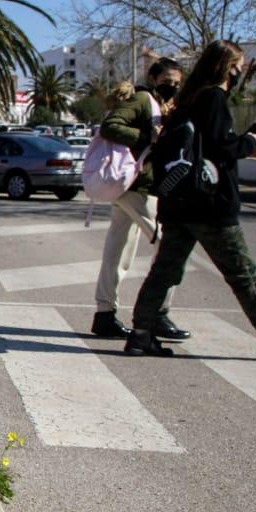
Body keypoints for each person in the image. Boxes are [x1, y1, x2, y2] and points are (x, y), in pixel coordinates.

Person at [126, 40, 256, 359]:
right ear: (228, 67)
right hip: (209, 204)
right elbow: (221, 147)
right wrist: (248, 142)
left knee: (164, 271)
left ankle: (140, 334)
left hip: (179, 203)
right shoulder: (213, 97)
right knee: (242, 272)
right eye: (238, 66)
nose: (240, 72)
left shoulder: (187, 100)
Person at [91, 57, 190, 341]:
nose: (172, 86)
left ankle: (104, 315)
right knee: (171, 244)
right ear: (154, 78)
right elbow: (111, 125)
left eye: (176, 83)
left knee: (118, 250)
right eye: (167, 81)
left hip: (131, 186)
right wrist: (148, 135)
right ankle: (158, 313)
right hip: (137, 185)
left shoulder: (161, 104)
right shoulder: (145, 98)